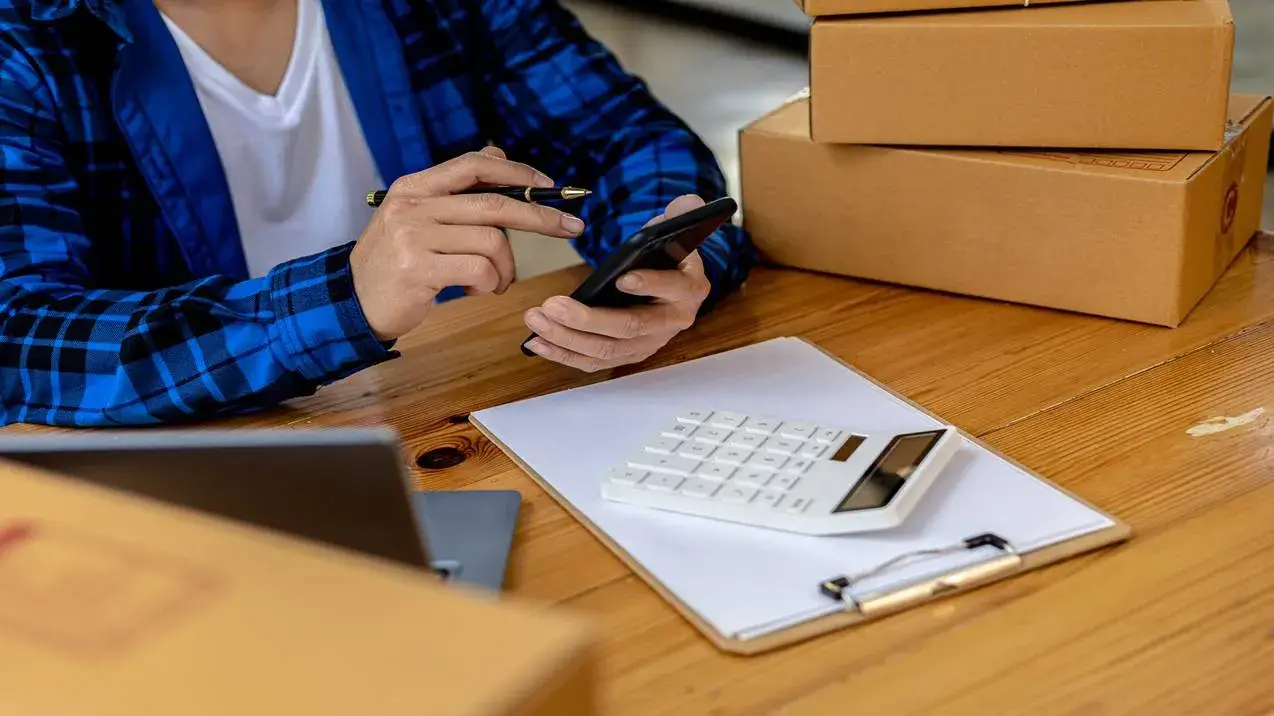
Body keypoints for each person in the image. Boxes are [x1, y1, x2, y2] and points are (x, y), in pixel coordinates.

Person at [0, 0, 755, 426]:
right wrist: (346, 297)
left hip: (445, 418)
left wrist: (668, 271)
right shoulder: (24, 40)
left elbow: (629, 137)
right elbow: (20, 337)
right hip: (181, 479)